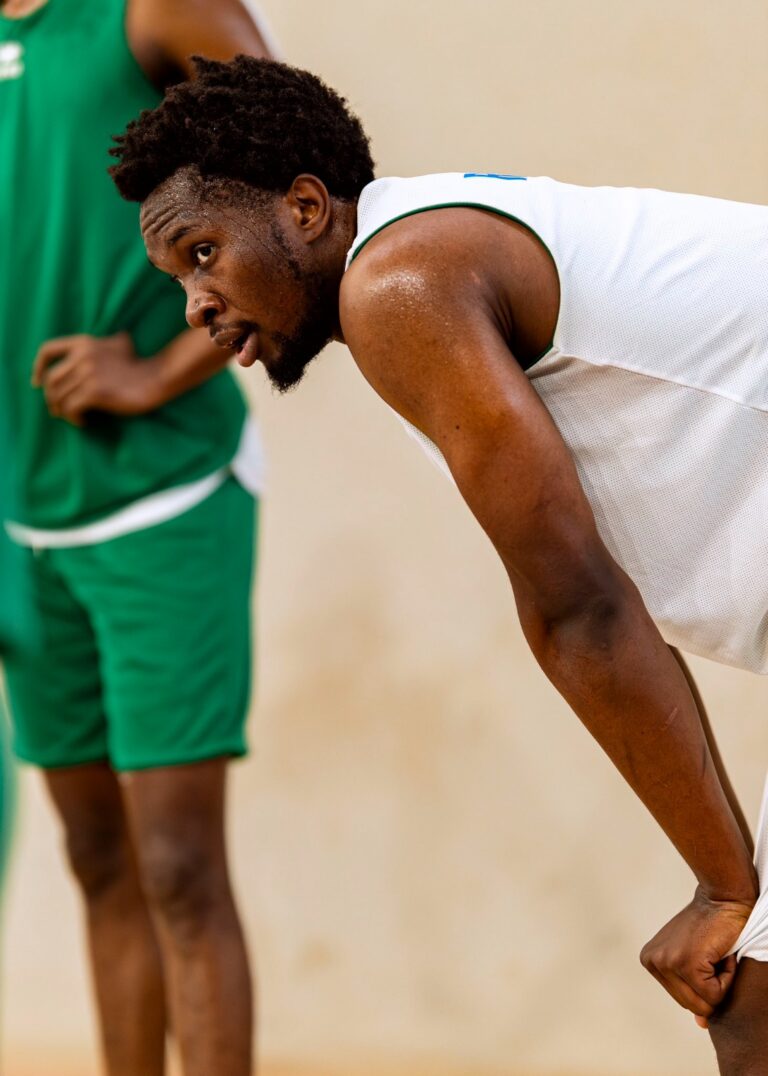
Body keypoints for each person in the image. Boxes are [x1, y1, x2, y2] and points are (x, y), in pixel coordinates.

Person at [109, 56, 768, 1073]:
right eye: (180, 279)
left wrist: (725, 888)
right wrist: (730, 878)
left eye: (205, 253)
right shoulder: (430, 242)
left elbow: (580, 609)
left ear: (305, 208)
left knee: (754, 1011)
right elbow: (600, 604)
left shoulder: (399, 285)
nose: (196, 304)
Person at [0, 7, 277, 1075]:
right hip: (22, 518)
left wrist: (162, 369)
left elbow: (312, 185)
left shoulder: (146, 10)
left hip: (165, 500)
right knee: (98, 858)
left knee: (177, 867)